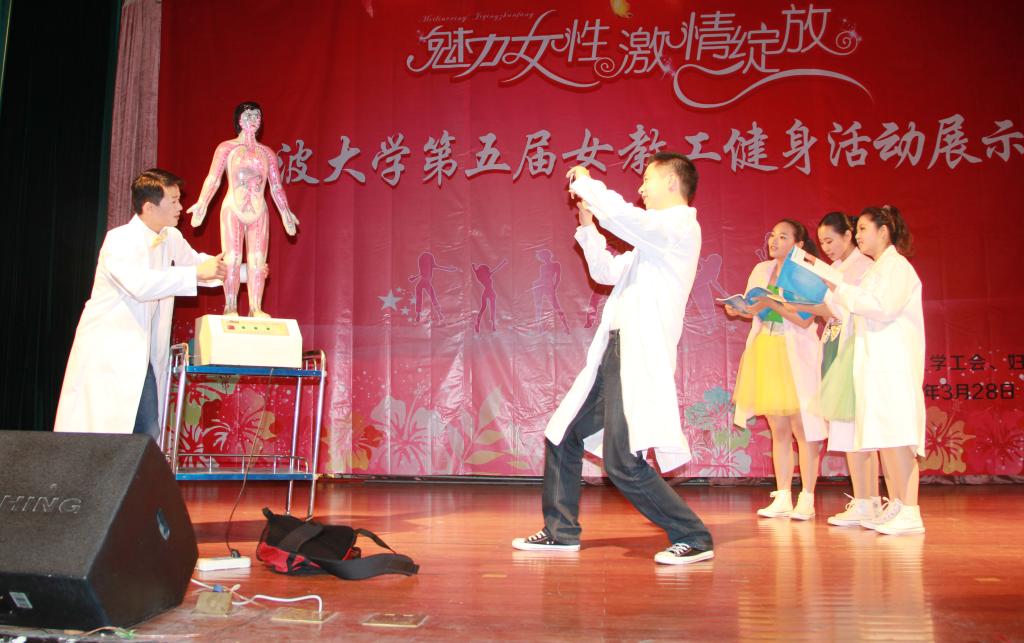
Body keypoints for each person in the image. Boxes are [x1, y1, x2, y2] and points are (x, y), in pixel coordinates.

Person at [512, 152, 713, 565]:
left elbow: (626, 219)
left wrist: (587, 182)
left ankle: (693, 535)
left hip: (637, 356)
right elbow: (605, 272)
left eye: (647, 179)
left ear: (671, 182)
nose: (641, 188)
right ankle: (560, 531)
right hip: (616, 353)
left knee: (623, 462)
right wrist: (588, 226)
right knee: (563, 435)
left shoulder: (678, 227)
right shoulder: (651, 246)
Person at [54, 169, 227, 442]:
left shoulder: (170, 237)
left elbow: (199, 264)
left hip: (144, 352)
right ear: (149, 207)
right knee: (108, 432)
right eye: (173, 201)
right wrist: (195, 273)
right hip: (111, 350)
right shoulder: (120, 240)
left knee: (145, 432)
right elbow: (140, 286)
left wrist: (244, 271)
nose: (180, 207)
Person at [813, 205, 926, 535]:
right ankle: (898, 505)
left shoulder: (897, 267)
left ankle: (910, 510)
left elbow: (882, 308)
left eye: (863, 229)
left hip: (894, 365)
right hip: (876, 365)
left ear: (883, 231)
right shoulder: (878, 269)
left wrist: (839, 286)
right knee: (885, 437)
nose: (859, 235)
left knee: (898, 436)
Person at [727, 219, 826, 520]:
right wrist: (739, 309)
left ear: (798, 244)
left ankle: (807, 496)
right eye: (772, 235)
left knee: (803, 428)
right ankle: (783, 495)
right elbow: (753, 308)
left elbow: (805, 320)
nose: (774, 241)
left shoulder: (807, 273)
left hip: (794, 350)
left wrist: (774, 304)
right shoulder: (761, 270)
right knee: (778, 429)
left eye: (783, 237)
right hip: (766, 348)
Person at [795, 212, 881, 526]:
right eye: (822, 243)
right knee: (849, 431)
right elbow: (829, 310)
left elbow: (855, 309)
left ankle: (868, 500)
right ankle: (866, 500)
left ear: (847, 235)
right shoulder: (837, 269)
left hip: (853, 350)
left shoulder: (863, 267)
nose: (827, 248)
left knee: (857, 432)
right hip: (835, 346)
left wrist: (821, 282)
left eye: (831, 240)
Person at [188, 101, 299, 318]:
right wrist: (202, 203)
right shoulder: (227, 148)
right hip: (233, 209)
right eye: (248, 116)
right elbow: (213, 178)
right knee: (233, 258)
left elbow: (276, 186)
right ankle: (230, 306)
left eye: (257, 116)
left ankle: (255, 307)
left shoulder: (267, 153)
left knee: (258, 260)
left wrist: (286, 212)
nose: (253, 120)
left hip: (259, 211)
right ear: (238, 120)